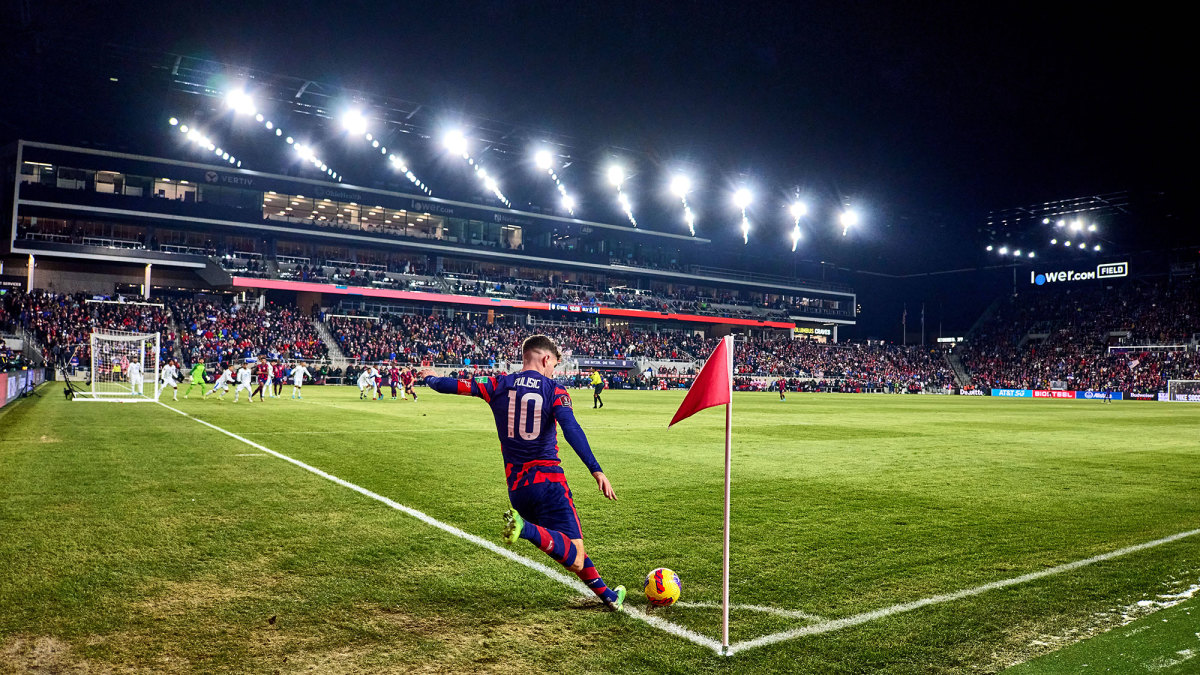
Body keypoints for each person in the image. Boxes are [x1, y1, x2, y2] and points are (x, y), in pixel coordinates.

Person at [418, 335, 625, 610]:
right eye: (554, 365)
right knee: (573, 554)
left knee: (565, 545)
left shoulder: (498, 384)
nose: (553, 371)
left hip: (518, 488)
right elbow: (571, 429)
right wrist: (596, 470)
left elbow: (449, 385)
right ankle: (525, 528)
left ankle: (608, 596)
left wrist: (431, 377)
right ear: (545, 359)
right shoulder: (555, 390)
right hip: (549, 482)